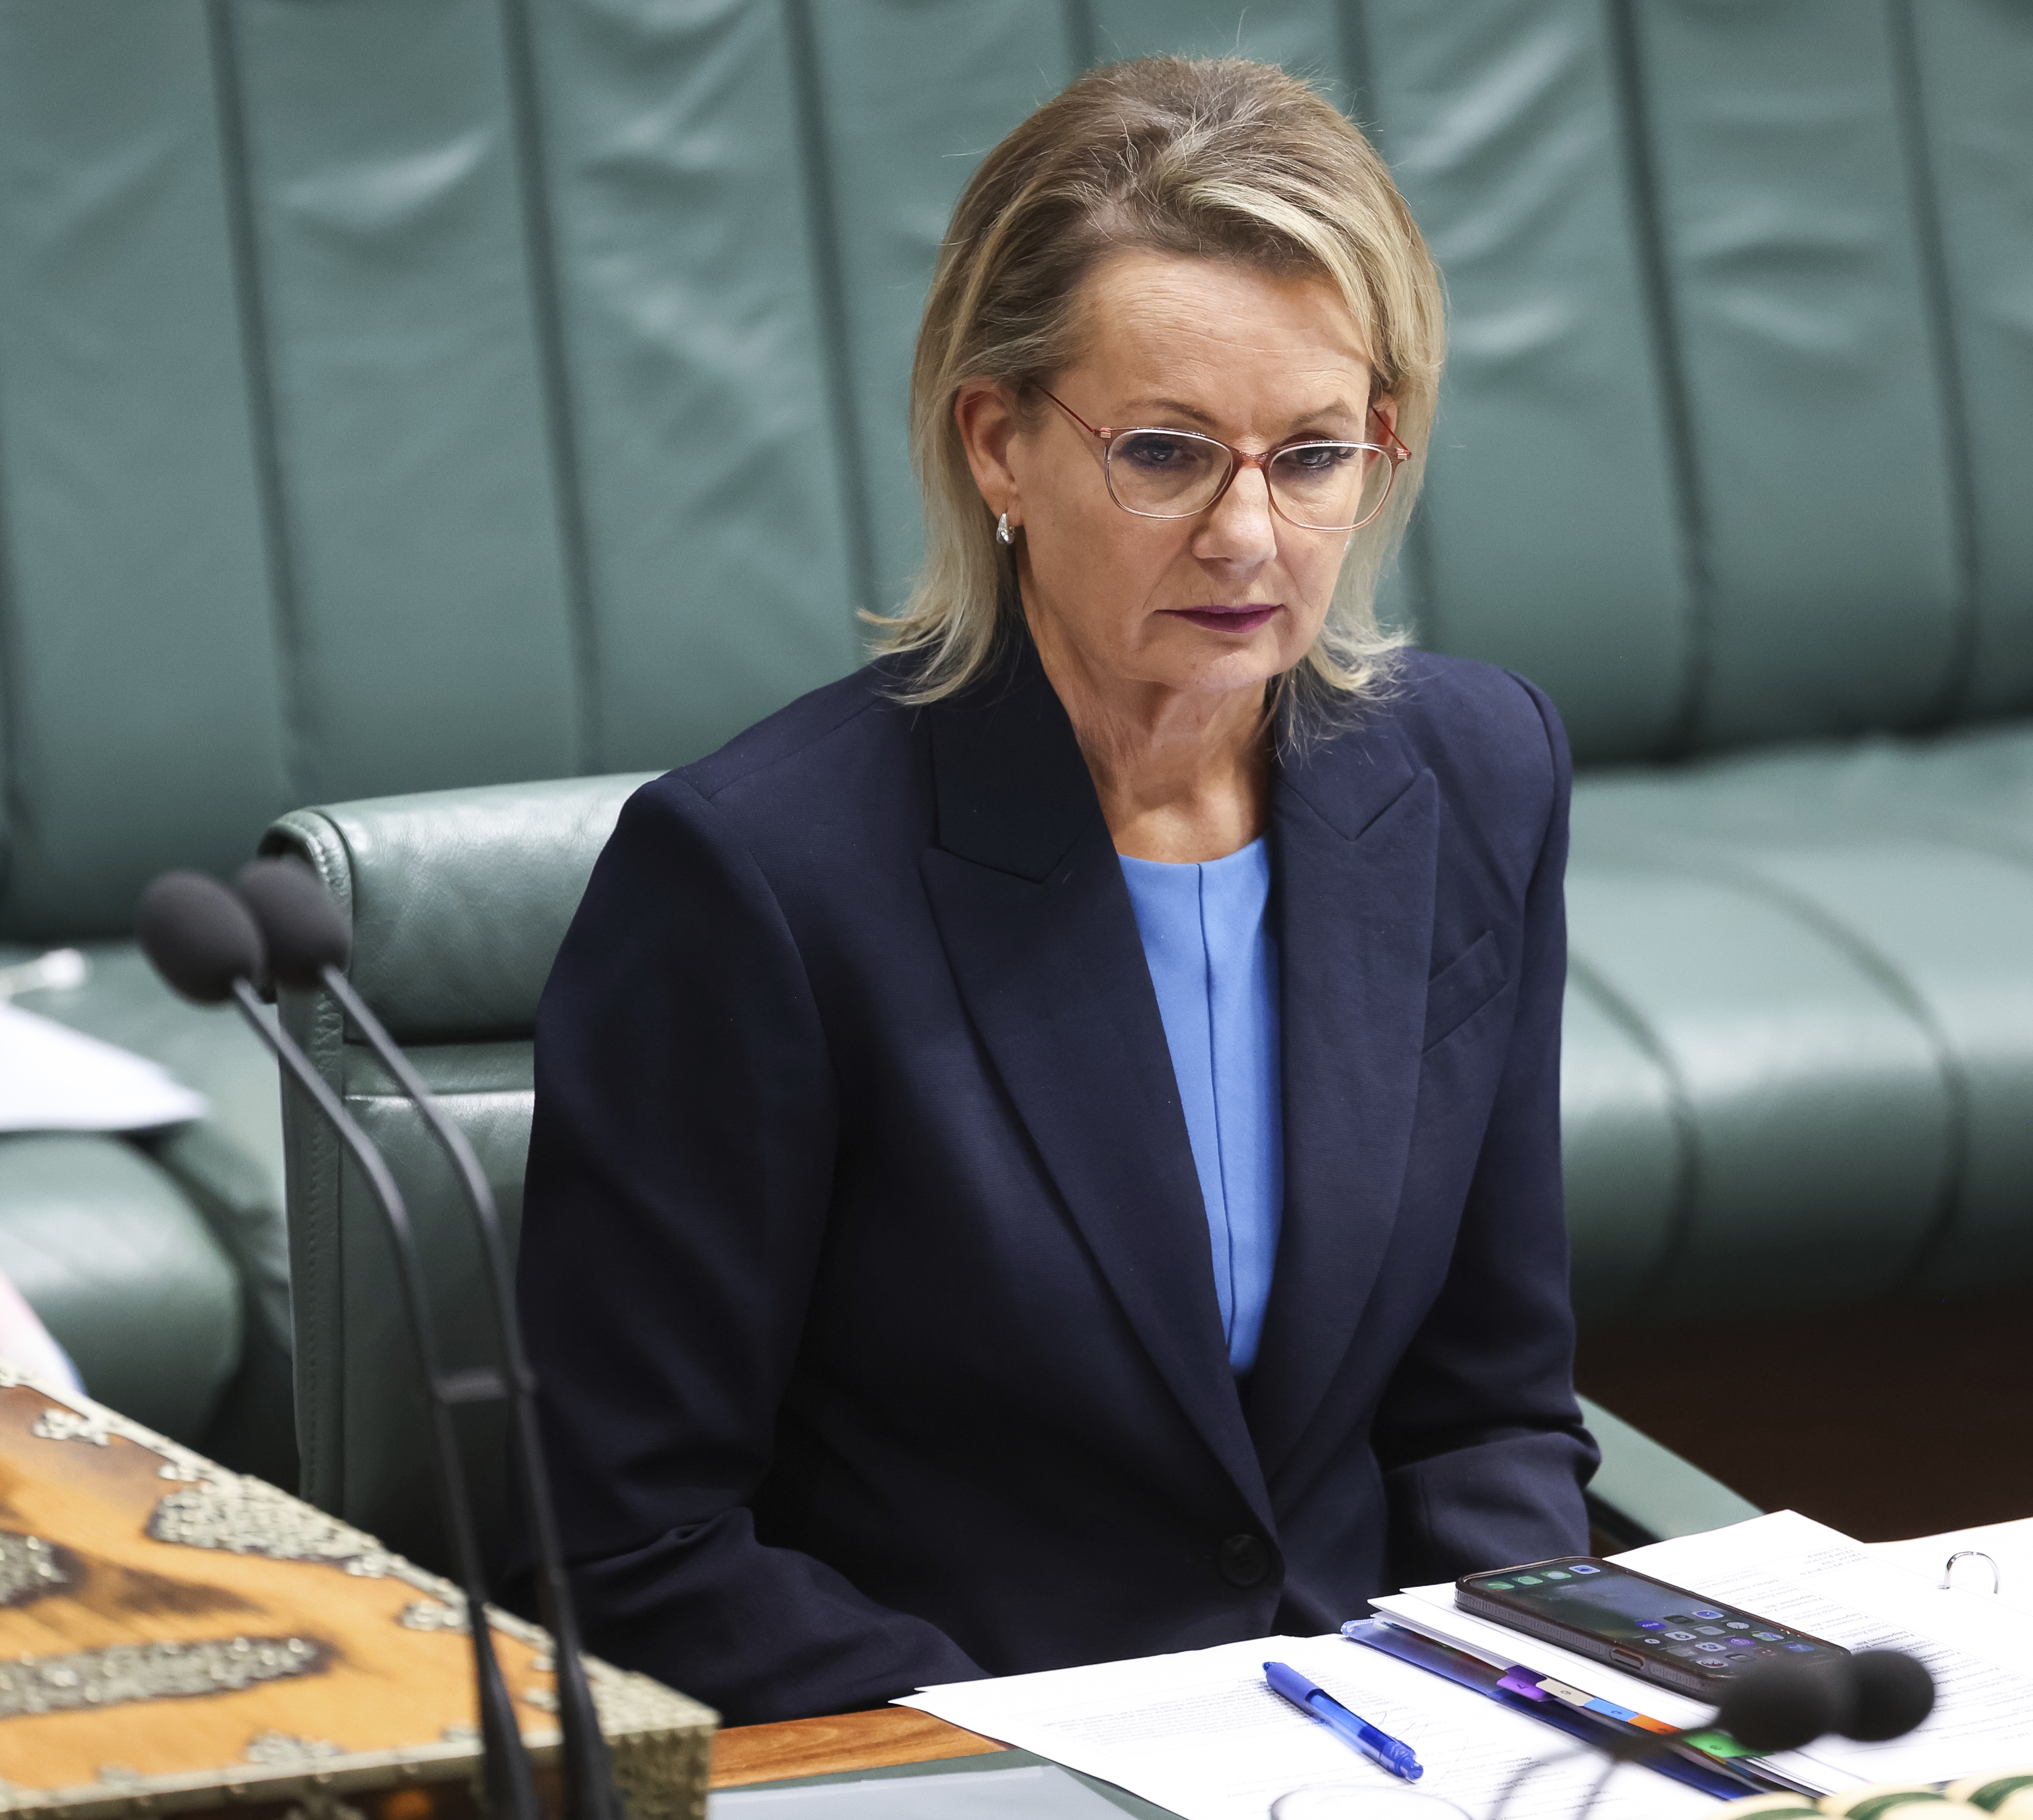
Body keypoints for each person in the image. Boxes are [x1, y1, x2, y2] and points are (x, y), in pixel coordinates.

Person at [516, 55, 1594, 1724]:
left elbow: (1486, 1412)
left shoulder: (1475, 775)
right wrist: (1051, 1760)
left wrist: (1518, 1697)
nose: (1251, 536)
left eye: (1315, 456)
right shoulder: (762, 877)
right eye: (1166, 453)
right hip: (979, 1753)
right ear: (999, 443)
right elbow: (629, 1541)